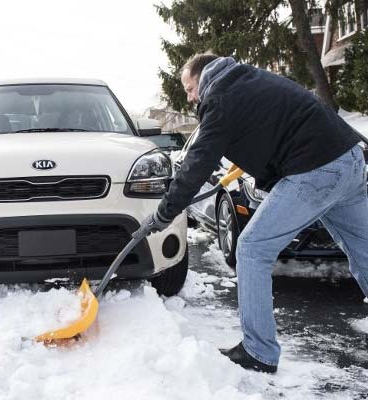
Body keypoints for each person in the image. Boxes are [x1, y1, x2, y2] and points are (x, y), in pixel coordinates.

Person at [137, 53, 368, 373]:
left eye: (189, 88)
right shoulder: (249, 79)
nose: (190, 97)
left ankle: (259, 351)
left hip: (316, 170)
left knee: (251, 248)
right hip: (350, 158)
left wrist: (165, 213)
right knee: (365, 251)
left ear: (203, 77)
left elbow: (197, 162)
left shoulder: (220, 97)